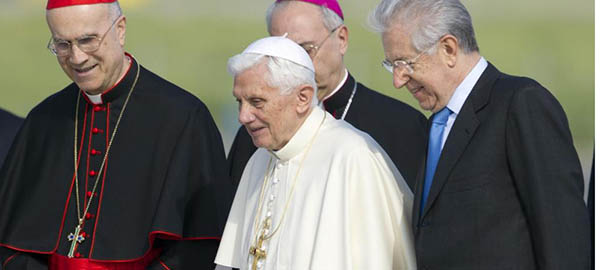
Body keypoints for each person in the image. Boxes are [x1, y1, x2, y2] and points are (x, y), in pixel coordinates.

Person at [0, 0, 234, 269]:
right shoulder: (43, 121)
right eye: (62, 44)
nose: (77, 57)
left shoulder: (183, 117)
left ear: (120, 29)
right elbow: (9, 242)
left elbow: (200, 242)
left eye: (88, 40)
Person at [369, 0, 590, 269]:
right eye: (391, 65)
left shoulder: (520, 104)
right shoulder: (437, 125)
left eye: (405, 63)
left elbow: (564, 238)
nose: (398, 80)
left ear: (448, 49)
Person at [214, 36, 416, 270]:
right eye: (239, 102)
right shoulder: (260, 159)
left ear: (303, 98)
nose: (243, 116)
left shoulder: (352, 156)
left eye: (256, 102)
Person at [227, 0, 427, 191]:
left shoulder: (400, 125)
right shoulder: (257, 131)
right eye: (278, 55)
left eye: (305, 49)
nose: (292, 62)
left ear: (341, 39)